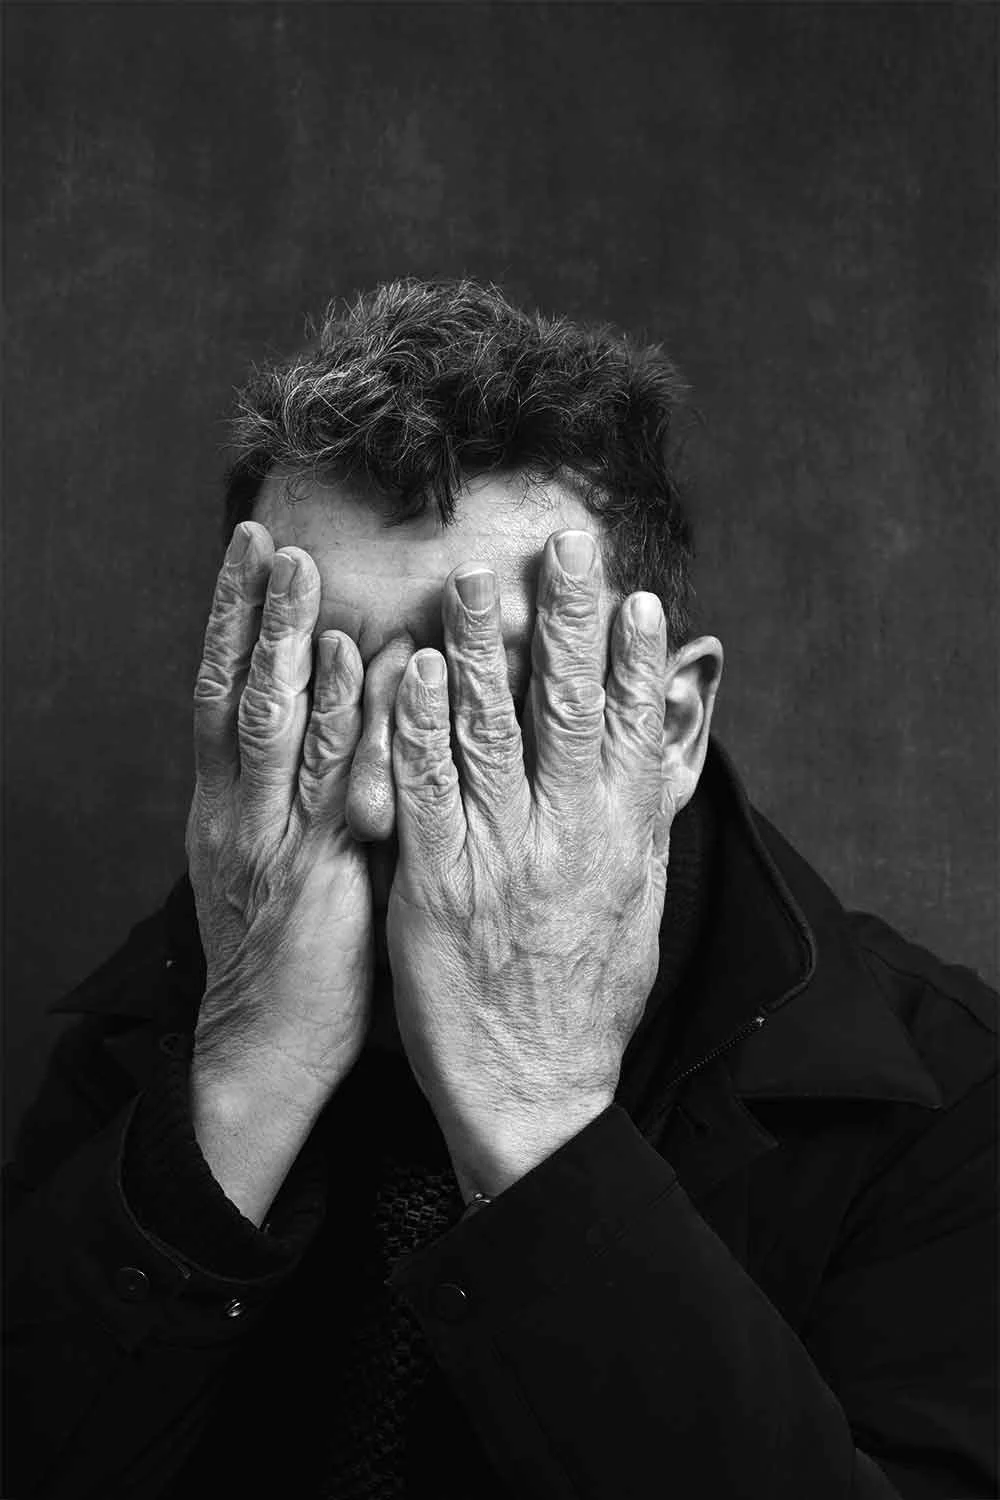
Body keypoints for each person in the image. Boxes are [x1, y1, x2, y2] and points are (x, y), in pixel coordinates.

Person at [4, 279, 996, 1500]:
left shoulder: (950, 1113)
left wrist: (540, 1122)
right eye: (318, 681)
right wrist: (245, 1077)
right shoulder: (144, 1038)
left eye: (481, 695)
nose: (380, 795)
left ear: (668, 729)